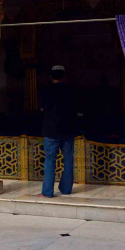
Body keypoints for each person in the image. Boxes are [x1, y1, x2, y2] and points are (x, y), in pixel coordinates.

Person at [38, 65, 77, 198]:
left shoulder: (45, 91)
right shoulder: (71, 91)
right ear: (64, 76)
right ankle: (66, 189)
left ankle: (47, 192)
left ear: (50, 76)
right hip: (68, 130)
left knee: (49, 161)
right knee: (68, 160)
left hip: (50, 131)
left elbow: (42, 109)